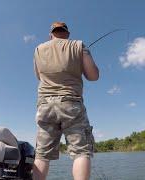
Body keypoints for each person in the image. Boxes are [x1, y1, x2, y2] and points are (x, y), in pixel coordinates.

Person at [32, 21, 99, 180]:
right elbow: (94, 76)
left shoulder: (38, 49)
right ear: (67, 33)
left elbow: (38, 76)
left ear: (51, 34)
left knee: (42, 155)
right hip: (71, 103)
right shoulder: (78, 45)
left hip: (45, 105)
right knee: (80, 152)